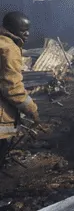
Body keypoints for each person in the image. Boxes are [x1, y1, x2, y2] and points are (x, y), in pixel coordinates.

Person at [0, 11, 39, 161]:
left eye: (28, 29)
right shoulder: (9, 49)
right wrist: (32, 109)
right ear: (10, 28)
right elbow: (12, 87)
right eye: (23, 30)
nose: (27, 34)